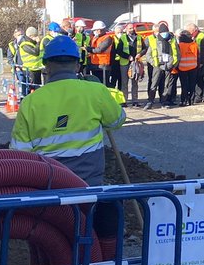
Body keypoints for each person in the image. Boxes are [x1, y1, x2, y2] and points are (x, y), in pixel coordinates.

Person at [11, 36, 125, 186]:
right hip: (89, 182)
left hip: (48, 182)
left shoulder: (30, 102)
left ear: (47, 67)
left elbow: (19, 152)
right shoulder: (96, 91)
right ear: (77, 66)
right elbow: (117, 121)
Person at [143, 21, 178, 109]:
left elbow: (177, 54)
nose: (165, 34)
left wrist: (172, 65)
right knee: (154, 84)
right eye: (163, 32)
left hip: (168, 66)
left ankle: (163, 102)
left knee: (166, 85)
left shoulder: (172, 41)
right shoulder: (154, 42)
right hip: (157, 66)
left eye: (166, 32)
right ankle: (150, 101)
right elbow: (148, 55)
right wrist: (154, 63)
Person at [176, 26, 201, 105]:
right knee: (192, 84)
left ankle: (184, 100)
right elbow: (198, 56)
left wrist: (176, 67)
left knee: (184, 85)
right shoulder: (194, 44)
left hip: (182, 68)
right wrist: (198, 65)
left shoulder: (179, 45)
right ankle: (191, 100)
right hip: (193, 67)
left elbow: (177, 56)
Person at [88, 21, 116, 86]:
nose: (94, 32)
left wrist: (89, 49)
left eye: (95, 30)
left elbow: (99, 50)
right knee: (97, 84)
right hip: (95, 64)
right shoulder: (94, 38)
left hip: (104, 65)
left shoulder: (108, 38)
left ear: (100, 30)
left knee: (104, 84)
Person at [7, 27, 28, 97]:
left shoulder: (26, 43)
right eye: (18, 35)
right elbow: (9, 58)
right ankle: (23, 98)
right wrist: (15, 66)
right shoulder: (12, 45)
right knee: (22, 84)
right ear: (14, 35)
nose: (20, 36)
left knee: (30, 85)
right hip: (18, 68)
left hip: (28, 67)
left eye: (21, 34)